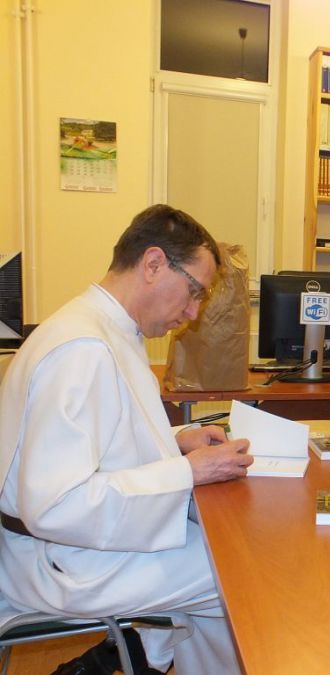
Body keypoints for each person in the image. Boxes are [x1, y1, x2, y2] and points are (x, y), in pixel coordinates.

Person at [0, 205, 253, 674]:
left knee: (225, 554)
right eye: (194, 291)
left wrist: (179, 439)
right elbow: (55, 505)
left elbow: (105, 436)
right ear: (153, 263)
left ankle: (142, 653)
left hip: (72, 547)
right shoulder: (82, 348)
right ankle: (140, 654)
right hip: (60, 562)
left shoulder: (103, 328)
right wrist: (187, 472)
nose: (194, 312)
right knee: (241, 570)